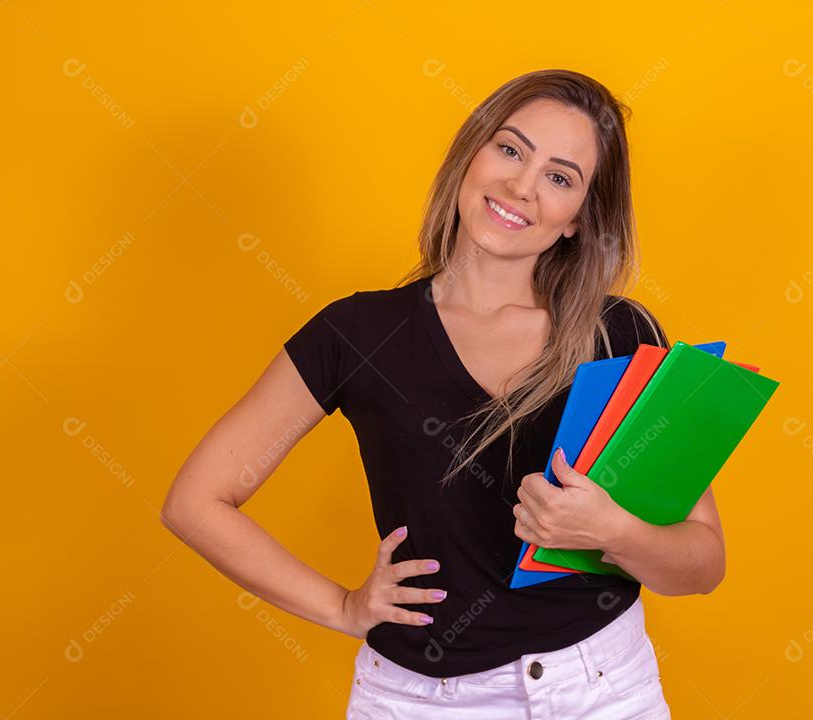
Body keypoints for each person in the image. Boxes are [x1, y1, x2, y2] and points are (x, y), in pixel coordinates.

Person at [160, 68, 725, 719]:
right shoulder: (356, 334)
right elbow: (195, 502)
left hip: (600, 686)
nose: (521, 185)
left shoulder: (622, 336)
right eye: (511, 149)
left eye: (559, 176)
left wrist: (614, 531)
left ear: (578, 220)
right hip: (420, 701)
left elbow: (702, 562)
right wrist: (343, 607)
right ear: (471, 153)